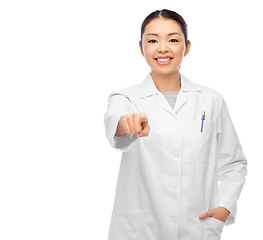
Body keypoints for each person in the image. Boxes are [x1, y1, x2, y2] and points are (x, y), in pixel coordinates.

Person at [104, 9, 248, 240]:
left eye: (173, 39)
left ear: (187, 47)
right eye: (152, 40)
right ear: (141, 48)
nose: (162, 48)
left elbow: (234, 164)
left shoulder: (211, 100)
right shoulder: (126, 98)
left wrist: (225, 208)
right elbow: (115, 121)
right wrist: (126, 123)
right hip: (140, 231)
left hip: (197, 228)